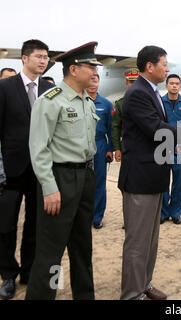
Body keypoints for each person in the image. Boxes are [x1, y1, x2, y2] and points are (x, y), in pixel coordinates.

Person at [25, 42, 102, 300]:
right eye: (90, 66)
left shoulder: (86, 101)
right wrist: (49, 187)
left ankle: (84, 295)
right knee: (51, 251)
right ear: (73, 69)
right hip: (60, 179)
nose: (94, 71)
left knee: (82, 246)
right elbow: (39, 148)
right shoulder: (50, 101)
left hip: (85, 178)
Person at [118, 45, 181, 300]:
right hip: (140, 179)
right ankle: (131, 294)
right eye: (164, 64)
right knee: (137, 242)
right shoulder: (138, 92)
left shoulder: (151, 91)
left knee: (150, 240)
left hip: (153, 176)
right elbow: (154, 127)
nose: (168, 68)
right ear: (149, 66)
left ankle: (144, 284)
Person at [0, 40, 54, 300]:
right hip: (11, 170)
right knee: (6, 225)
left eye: (46, 57)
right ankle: (8, 275)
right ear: (24, 58)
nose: (43, 61)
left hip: (40, 169)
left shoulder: (49, 88)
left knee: (35, 224)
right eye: (39, 56)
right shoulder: (5, 87)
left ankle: (29, 271)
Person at [161, 74, 181, 225]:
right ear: (166, 85)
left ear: (180, 86)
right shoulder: (160, 102)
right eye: (171, 83)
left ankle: (176, 213)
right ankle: (164, 213)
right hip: (163, 147)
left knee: (179, 182)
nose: (174, 86)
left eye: (177, 83)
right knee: (163, 181)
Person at [86, 74, 114, 229]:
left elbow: (111, 129)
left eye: (95, 80)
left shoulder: (106, 104)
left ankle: (97, 217)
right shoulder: (79, 100)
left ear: (98, 83)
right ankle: (84, 216)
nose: (92, 84)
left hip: (100, 144)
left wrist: (110, 149)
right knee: (82, 182)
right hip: (81, 145)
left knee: (99, 182)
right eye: (90, 80)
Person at [111, 68, 140, 163]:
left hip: (146, 148)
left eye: (136, 82)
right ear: (127, 83)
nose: (134, 85)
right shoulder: (120, 104)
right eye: (131, 82)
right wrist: (117, 149)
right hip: (127, 147)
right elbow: (115, 126)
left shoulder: (150, 101)